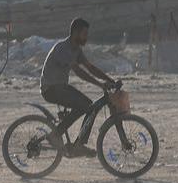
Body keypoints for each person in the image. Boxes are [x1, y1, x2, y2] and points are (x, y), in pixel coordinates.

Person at [40, 18, 119, 157]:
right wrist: (100, 85)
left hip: (61, 87)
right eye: (84, 33)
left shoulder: (76, 49)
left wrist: (109, 80)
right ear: (76, 32)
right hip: (51, 89)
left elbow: (90, 68)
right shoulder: (63, 48)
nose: (86, 37)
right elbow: (78, 71)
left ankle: (77, 144)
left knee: (89, 106)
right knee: (86, 106)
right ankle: (57, 137)